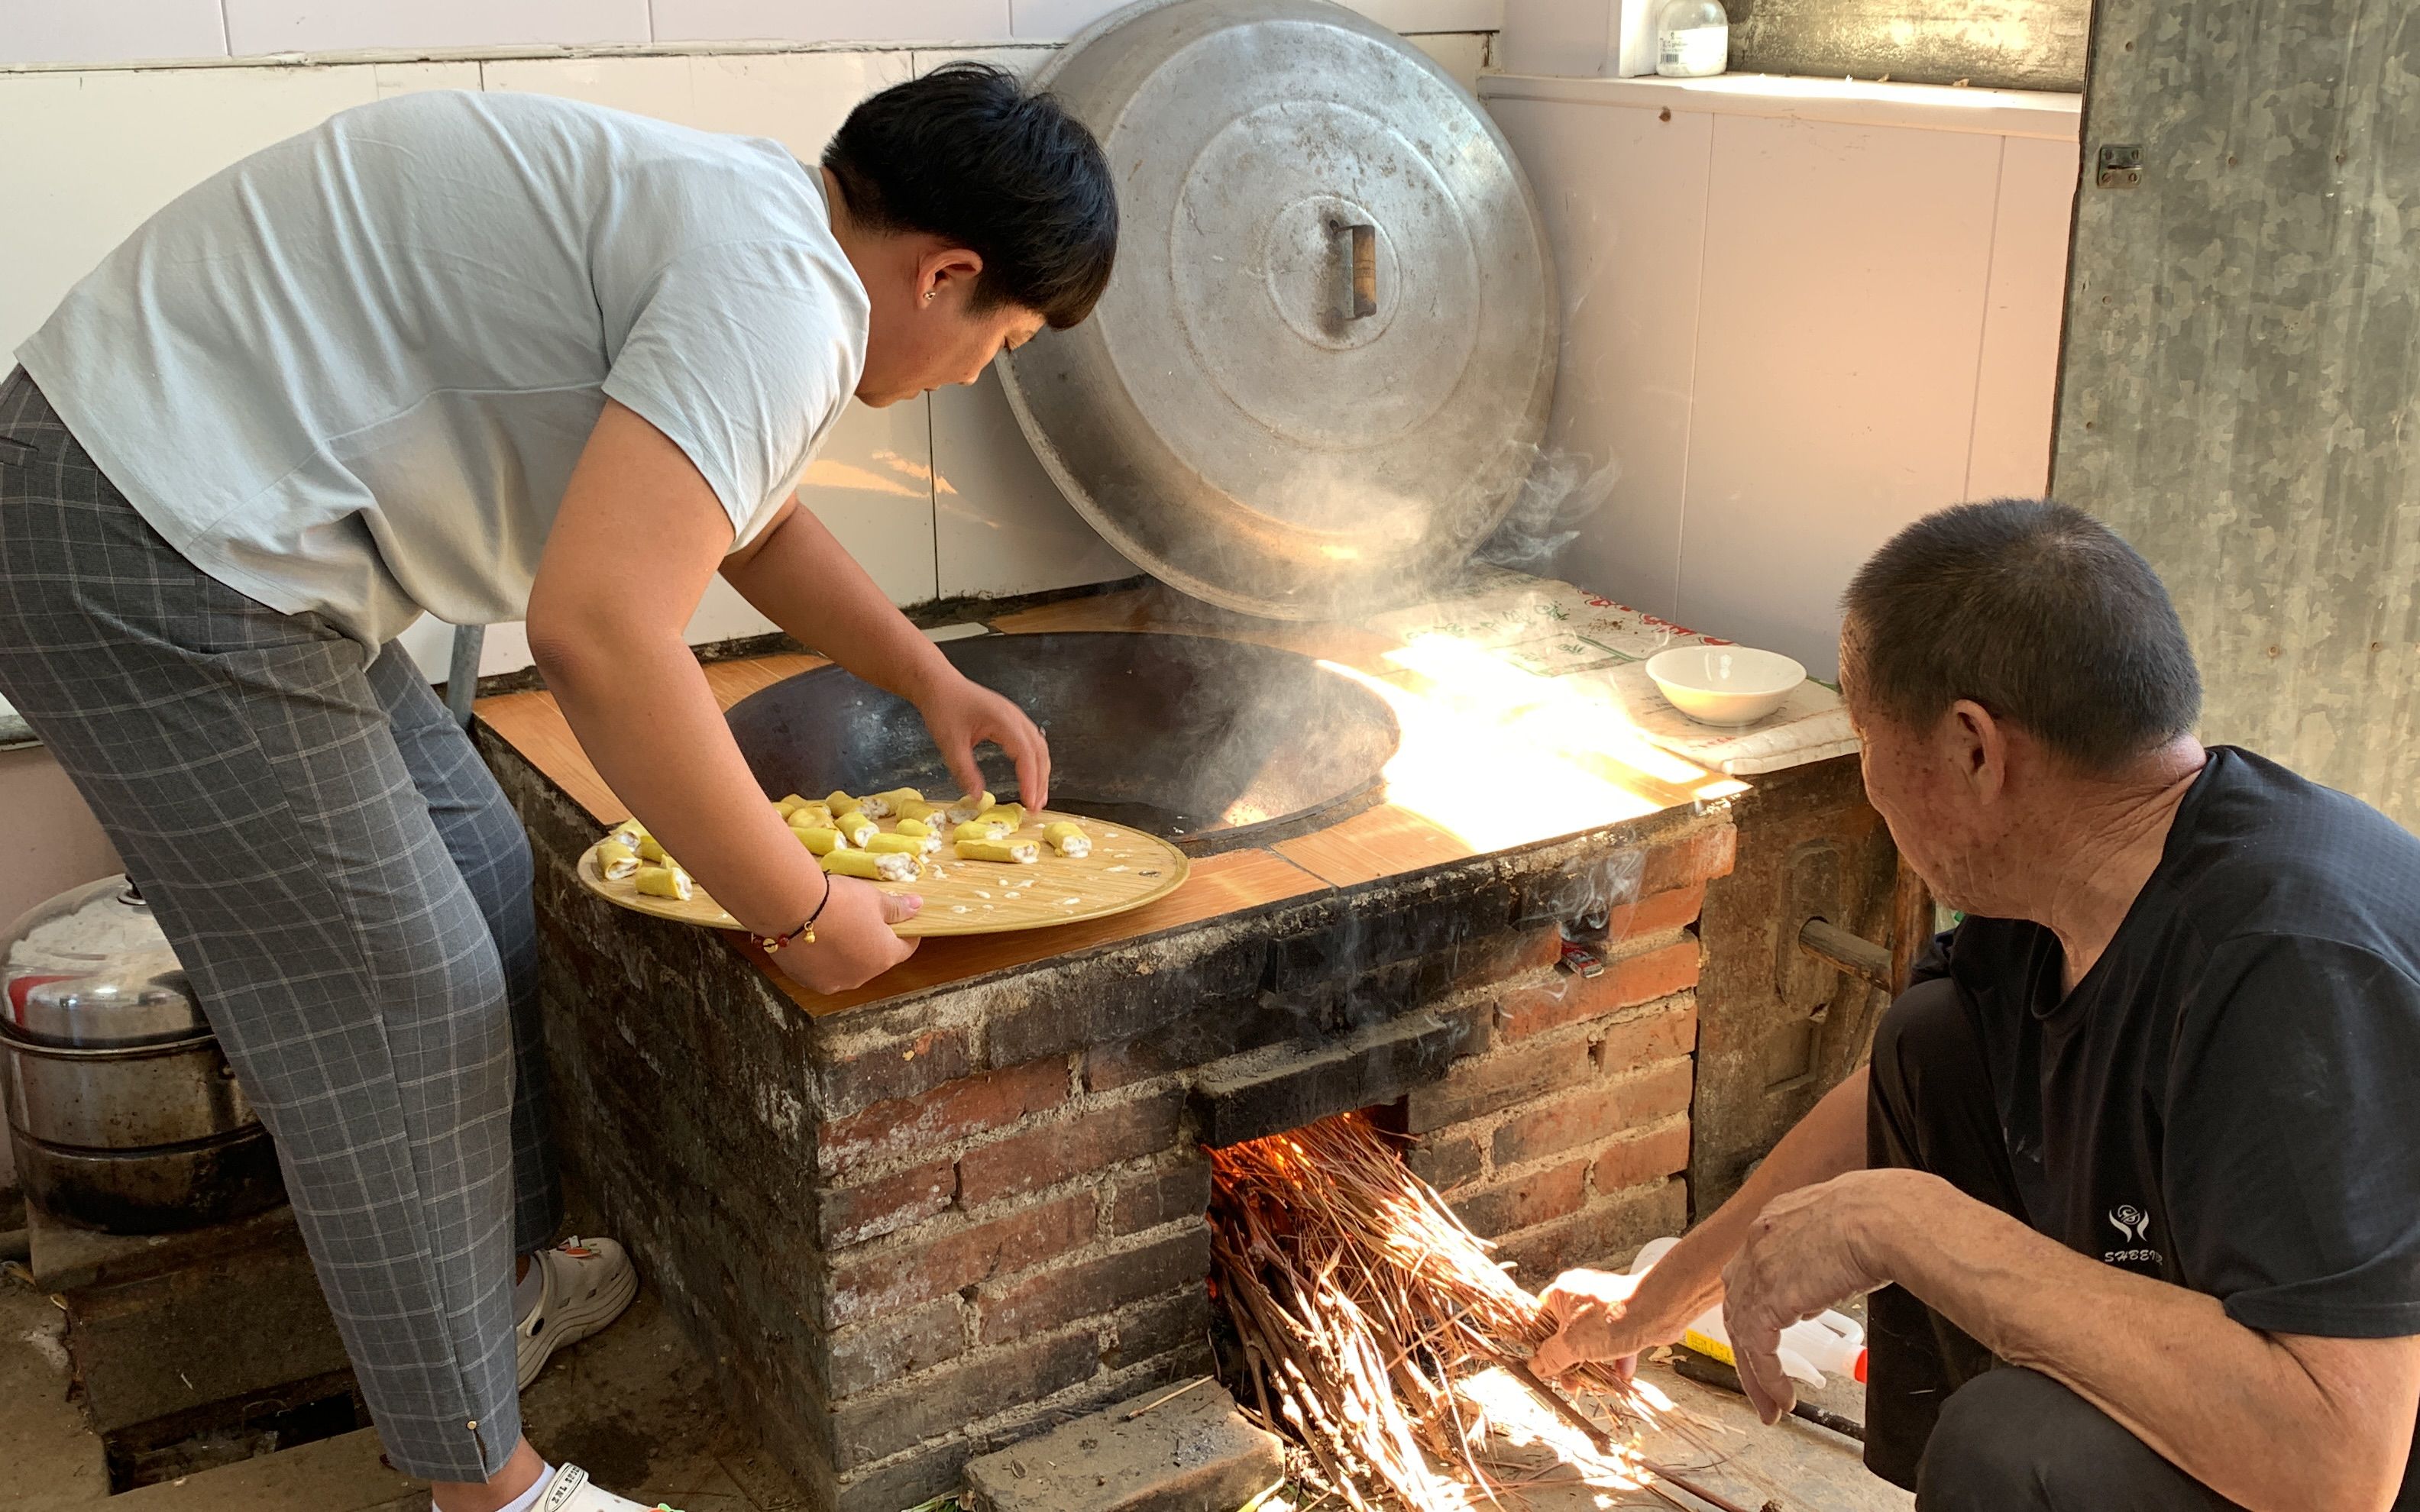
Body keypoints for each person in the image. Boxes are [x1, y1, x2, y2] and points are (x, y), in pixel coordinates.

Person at [0, 65, 1115, 1512]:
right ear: (945, 273)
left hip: (210, 527)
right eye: (1004, 337)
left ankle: (491, 1295)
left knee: (473, 848)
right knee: (404, 997)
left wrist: (928, 675)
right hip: (145, 530)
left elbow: (752, 525)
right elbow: (600, 632)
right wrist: (796, 907)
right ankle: (489, 1485)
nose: (980, 370)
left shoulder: (755, 230)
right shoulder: (782, 291)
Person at [1531, 500, 2420, 1510]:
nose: (1867, 774)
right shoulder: (2082, 874)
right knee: (1932, 1043)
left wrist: (1921, 1230)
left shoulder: (2287, 964)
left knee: (2017, 1446)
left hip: (2347, 1459)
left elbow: (2340, 1469)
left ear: (1973, 750)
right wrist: (1654, 1302)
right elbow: (1883, 1107)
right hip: (2262, 1391)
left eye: (1866, 734)